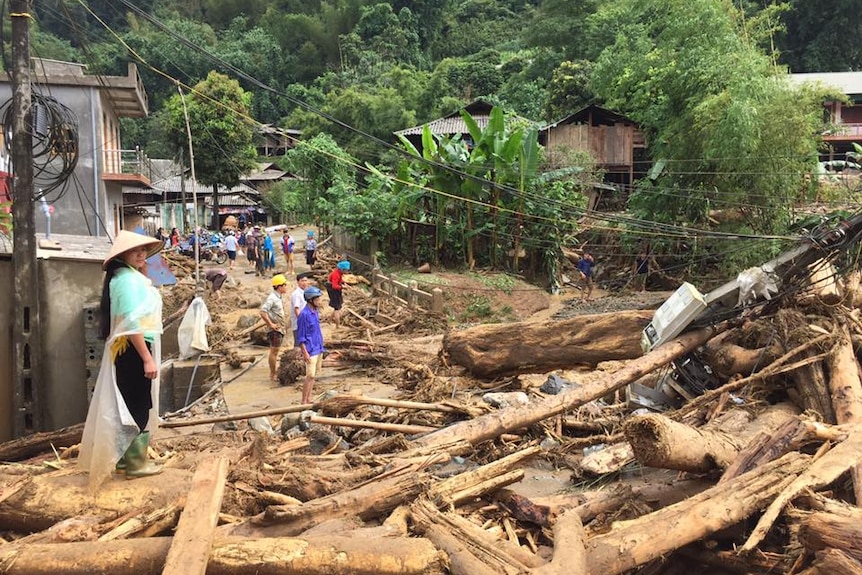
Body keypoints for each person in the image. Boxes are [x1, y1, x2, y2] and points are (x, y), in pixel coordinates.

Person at [79, 231, 165, 489]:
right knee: (137, 403)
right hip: (133, 347)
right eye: (135, 251)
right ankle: (136, 465)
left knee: (131, 401)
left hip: (130, 348)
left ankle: (128, 461)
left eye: (143, 251)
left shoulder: (126, 278)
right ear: (122, 256)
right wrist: (147, 358)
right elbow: (131, 323)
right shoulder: (127, 281)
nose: (141, 254)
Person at [297, 286, 325, 404]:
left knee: (314, 376)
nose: (320, 301)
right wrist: (305, 353)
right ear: (310, 300)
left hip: (318, 347)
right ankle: (304, 401)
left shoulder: (315, 312)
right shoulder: (304, 315)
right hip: (310, 349)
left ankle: (309, 398)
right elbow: (301, 336)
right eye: (317, 299)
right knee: (309, 376)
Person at [260, 274, 289, 383]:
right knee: (274, 351)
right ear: (279, 286)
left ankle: (274, 372)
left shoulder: (278, 297)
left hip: (279, 328)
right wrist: (271, 324)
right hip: (275, 330)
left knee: (276, 351)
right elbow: (262, 311)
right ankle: (273, 374)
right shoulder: (272, 298)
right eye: (284, 285)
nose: (286, 287)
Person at [290, 272, 312, 357]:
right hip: (299, 324)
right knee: (298, 344)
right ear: (298, 282)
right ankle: (295, 361)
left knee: (305, 343)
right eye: (302, 281)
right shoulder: (296, 294)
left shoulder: (305, 292)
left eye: (306, 281)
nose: (305, 283)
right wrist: (301, 321)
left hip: (305, 322)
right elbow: (296, 309)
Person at [325, 260, 350, 326]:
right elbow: (334, 286)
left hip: (335, 289)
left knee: (337, 307)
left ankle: (329, 320)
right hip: (332, 290)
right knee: (337, 309)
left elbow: (340, 280)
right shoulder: (336, 274)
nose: (346, 272)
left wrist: (344, 283)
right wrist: (342, 287)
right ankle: (337, 326)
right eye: (346, 270)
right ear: (342, 269)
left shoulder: (339, 273)